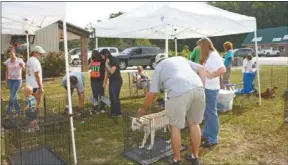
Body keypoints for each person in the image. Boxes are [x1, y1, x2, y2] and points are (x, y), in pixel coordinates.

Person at [138, 54, 206, 165]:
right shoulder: (180, 58)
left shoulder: (159, 67)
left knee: (175, 128)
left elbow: (152, 93)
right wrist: (202, 85)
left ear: (157, 62)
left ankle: (176, 160)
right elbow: (202, 69)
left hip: (178, 92)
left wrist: (143, 109)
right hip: (198, 88)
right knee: (194, 124)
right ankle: (195, 156)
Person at [198, 37, 226, 148]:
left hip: (211, 89)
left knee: (211, 113)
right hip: (207, 88)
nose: (199, 48)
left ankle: (213, 138)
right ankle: (206, 133)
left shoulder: (214, 55)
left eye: (200, 46)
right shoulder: (208, 55)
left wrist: (212, 75)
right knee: (208, 112)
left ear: (204, 46)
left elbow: (222, 69)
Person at [100, 49, 123, 117]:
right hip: (112, 81)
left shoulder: (114, 60)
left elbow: (112, 71)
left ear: (106, 54)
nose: (101, 57)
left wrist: (106, 64)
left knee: (115, 97)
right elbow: (106, 73)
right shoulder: (105, 61)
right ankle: (113, 112)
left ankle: (118, 113)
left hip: (117, 81)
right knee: (112, 97)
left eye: (102, 55)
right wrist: (105, 82)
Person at [4, 49, 25, 117]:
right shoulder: (7, 61)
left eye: (12, 53)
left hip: (17, 80)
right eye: (9, 54)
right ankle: (18, 111)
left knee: (12, 96)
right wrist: (6, 81)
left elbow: (24, 68)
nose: (11, 55)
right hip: (10, 80)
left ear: (14, 52)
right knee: (14, 96)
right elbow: (6, 72)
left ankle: (9, 111)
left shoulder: (20, 60)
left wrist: (22, 66)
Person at [26, 46, 45, 114]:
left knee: (30, 103)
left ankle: (30, 119)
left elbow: (28, 72)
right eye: (40, 53)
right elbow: (37, 75)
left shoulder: (29, 60)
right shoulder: (35, 61)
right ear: (35, 53)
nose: (41, 55)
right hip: (35, 85)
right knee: (37, 104)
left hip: (29, 85)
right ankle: (35, 120)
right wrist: (41, 87)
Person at [89, 50, 106, 114]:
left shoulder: (102, 61)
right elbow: (88, 68)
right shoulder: (93, 60)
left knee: (99, 94)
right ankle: (98, 108)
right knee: (99, 94)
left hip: (99, 80)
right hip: (95, 79)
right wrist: (91, 62)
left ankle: (99, 108)